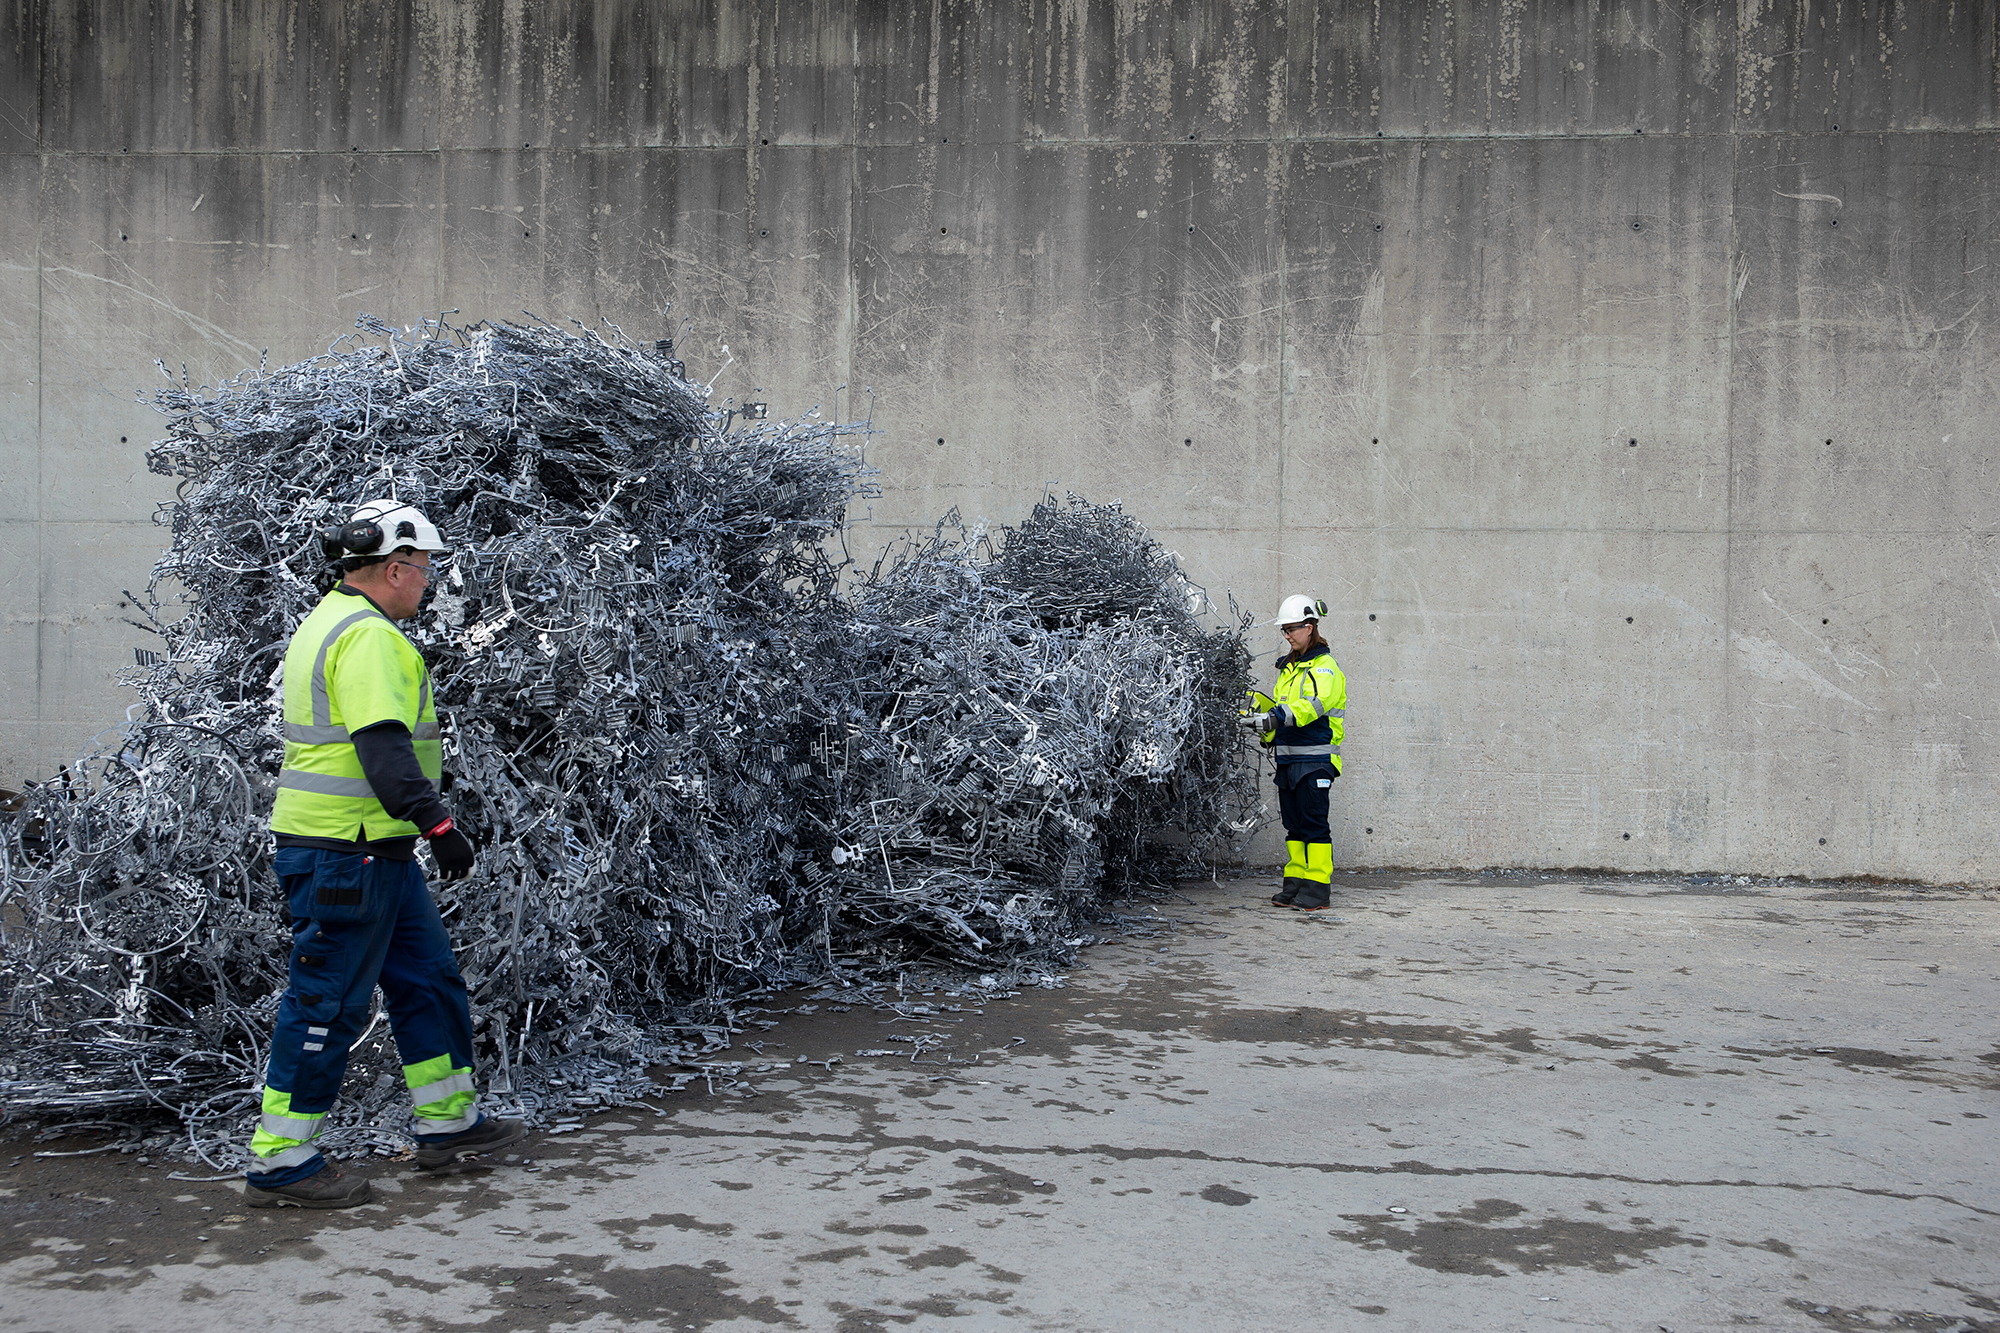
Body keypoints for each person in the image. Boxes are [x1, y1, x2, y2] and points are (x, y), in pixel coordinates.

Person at [244, 500, 525, 1208]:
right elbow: (382, 750)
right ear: (395, 568)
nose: (428, 583)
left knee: (426, 979)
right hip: (350, 852)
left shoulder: (331, 620)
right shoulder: (368, 638)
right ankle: (283, 1159)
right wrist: (440, 826)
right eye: (424, 569)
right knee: (327, 1000)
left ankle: (448, 1123)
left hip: (375, 851)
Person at [1243, 594, 1346, 910]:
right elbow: (1282, 709)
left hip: (1315, 761)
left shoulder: (1324, 667)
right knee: (1295, 826)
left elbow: (1314, 705)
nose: (1287, 635)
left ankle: (1317, 889)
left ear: (1310, 626)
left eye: (1292, 628)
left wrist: (1276, 716)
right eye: (1284, 630)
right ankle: (1296, 883)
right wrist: (1262, 722)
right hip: (1289, 759)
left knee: (1314, 825)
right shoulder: (1288, 669)